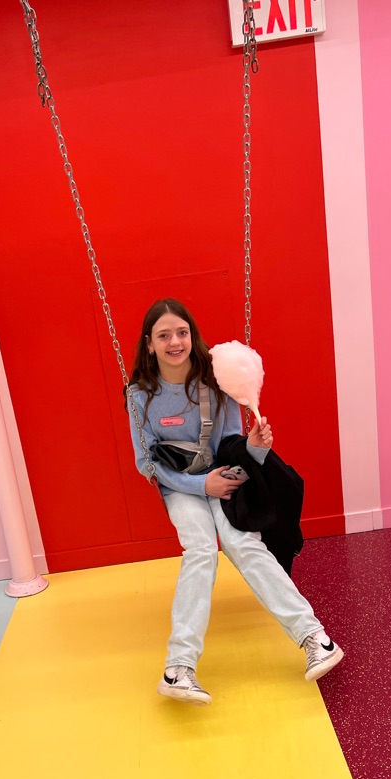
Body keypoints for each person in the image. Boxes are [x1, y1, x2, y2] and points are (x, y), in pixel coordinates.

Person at [125, 298, 343, 706]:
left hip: (224, 477)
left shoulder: (215, 383)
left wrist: (255, 448)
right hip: (181, 487)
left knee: (244, 542)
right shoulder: (139, 396)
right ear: (149, 344)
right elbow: (147, 463)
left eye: (182, 332)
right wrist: (199, 486)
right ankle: (179, 668)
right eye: (164, 335)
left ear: (192, 335)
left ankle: (315, 638)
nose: (175, 342)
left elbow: (230, 444)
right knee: (201, 550)